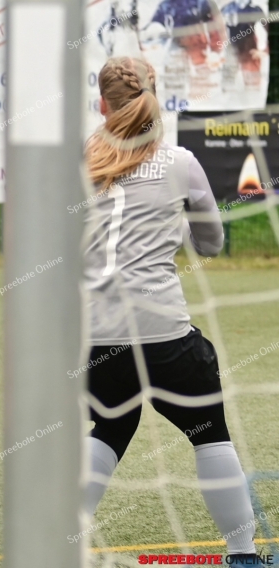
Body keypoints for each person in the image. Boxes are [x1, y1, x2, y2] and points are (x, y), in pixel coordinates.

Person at [83, 57, 262, 567]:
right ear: (154, 99)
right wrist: (176, 225)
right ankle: (242, 554)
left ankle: (53, 544)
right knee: (210, 434)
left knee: (110, 429)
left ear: (102, 104)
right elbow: (212, 244)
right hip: (163, 332)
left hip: (96, 335)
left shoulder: (78, 159)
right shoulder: (180, 161)